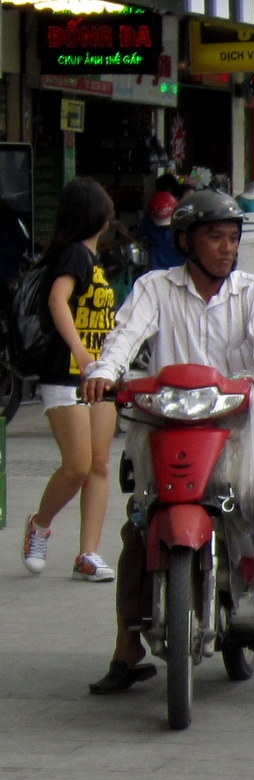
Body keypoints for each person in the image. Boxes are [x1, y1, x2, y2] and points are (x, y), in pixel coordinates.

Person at [81, 189, 254, 695]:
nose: (227, 248)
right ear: (187, 241)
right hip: (166, 426)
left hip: (239, 426)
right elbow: (124, 336)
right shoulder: (154, 288)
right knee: (139, 524)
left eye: (233, 238)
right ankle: (127, 645)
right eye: (215, 237)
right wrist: (105, 373)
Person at [19, 178, 121, 583]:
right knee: (77, 465)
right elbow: (56, 300)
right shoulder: (75, 255)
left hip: (100, 378)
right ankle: (39, 525)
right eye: (106, 204)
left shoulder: (94, 260)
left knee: (98, 465)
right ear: (95, 213)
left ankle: (88, 554)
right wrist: (80, 352)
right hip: (67, 375)